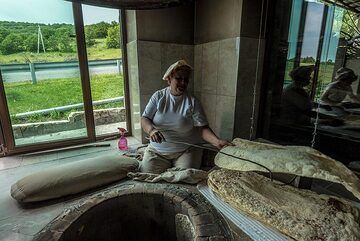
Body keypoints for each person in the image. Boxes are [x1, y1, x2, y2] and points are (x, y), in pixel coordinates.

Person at [140, 60, 232, 174]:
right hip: (157, 151)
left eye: (186, 80)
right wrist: (151, 130)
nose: (183, 83)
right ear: (169, 79)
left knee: (185, 176)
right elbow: (145, 118)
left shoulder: (192, 102)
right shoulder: (158, 96)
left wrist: (217, 141)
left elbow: (202, 129)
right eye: (179, 79)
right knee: (146, 175)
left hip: (185, 152)